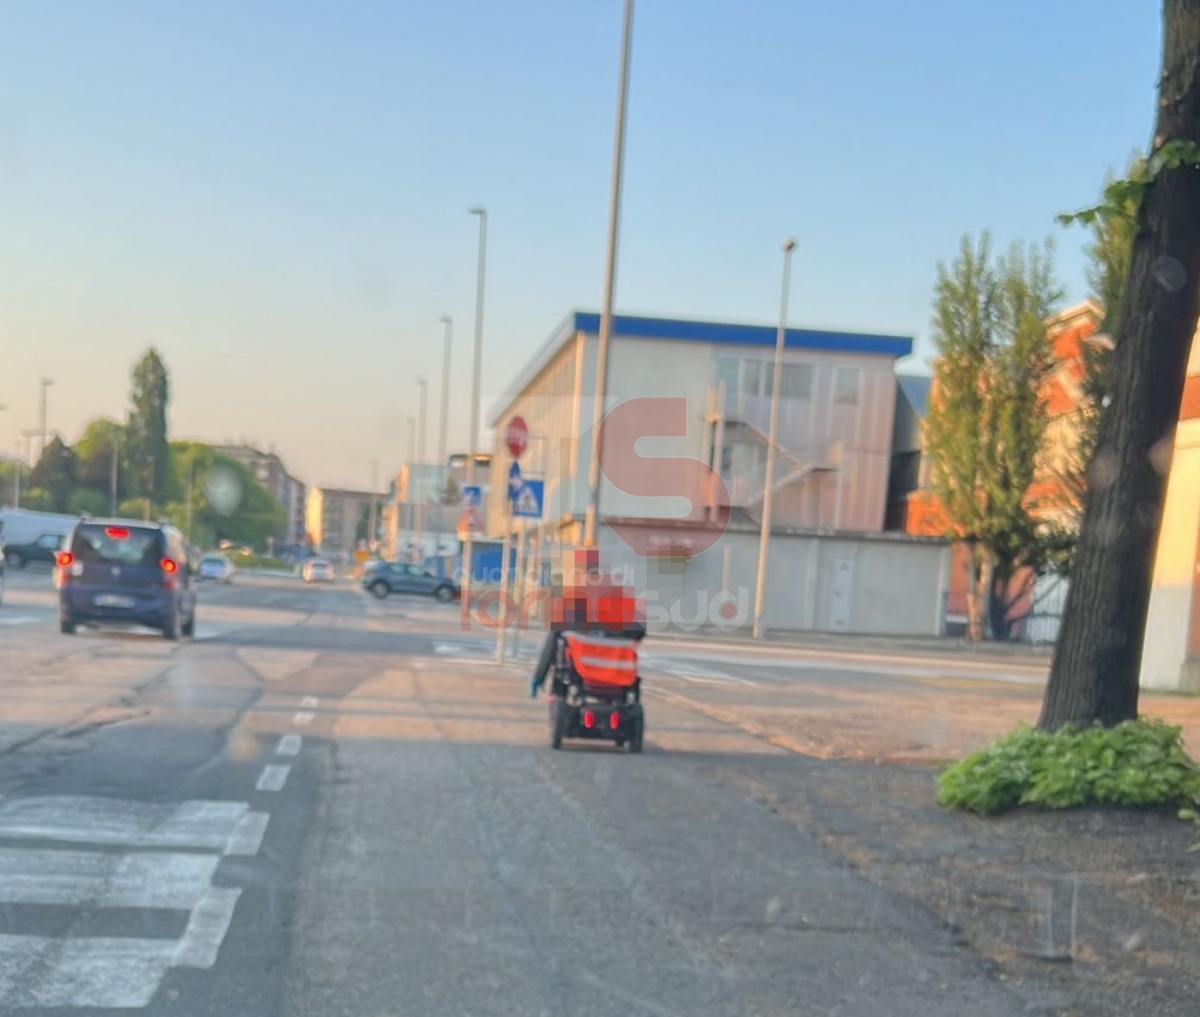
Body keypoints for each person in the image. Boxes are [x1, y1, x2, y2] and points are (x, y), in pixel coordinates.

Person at [529, 554, 645, 698]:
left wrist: (539, 677)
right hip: (617, 680)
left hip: (581, 676)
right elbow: (639, 631)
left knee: (560, 651)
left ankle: (556, 697)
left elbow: (551, 643)